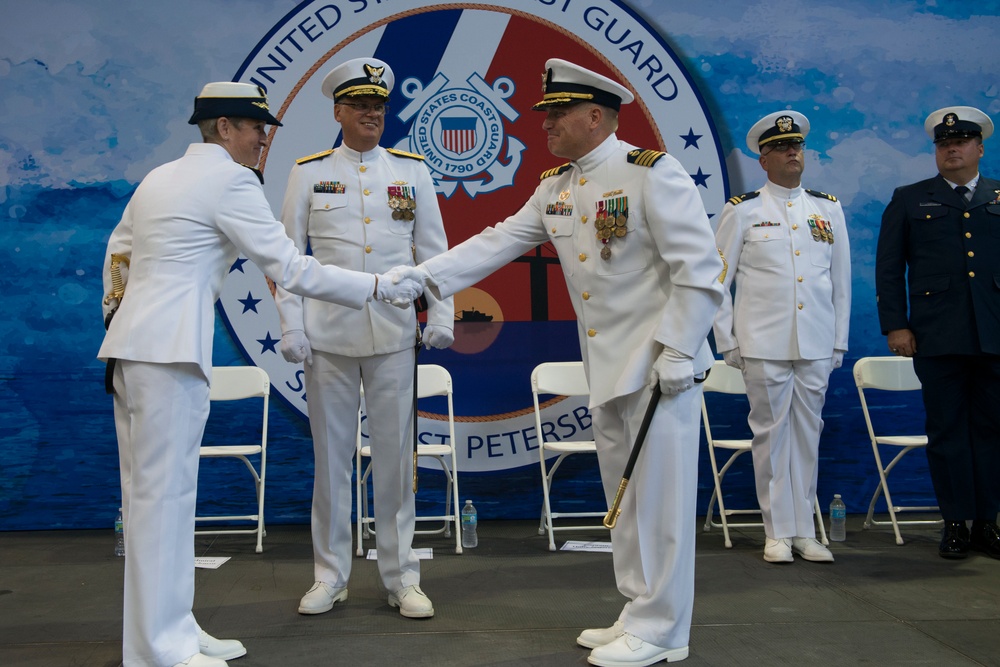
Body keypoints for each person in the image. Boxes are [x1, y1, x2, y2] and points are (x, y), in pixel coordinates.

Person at [390, 58, 724, 666]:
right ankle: (638, 607)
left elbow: (700, 272)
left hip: (658, 367)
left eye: (557, 113)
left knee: (660, 503)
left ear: (594, 116)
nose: (544, 124)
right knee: (623, 500)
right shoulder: (557, 186)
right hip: (606, 366)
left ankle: (664, 629)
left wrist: (679, 348)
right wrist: (421, 277)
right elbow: (498, 240)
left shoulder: (652, 175)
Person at [98, 82, 422, 667]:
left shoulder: (158, 177)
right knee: (160, 501)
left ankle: (174, 625)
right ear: (224, 128)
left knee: (167, 499)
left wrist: (124, 323)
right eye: (254, 128)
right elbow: (292, 267)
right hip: (168, 352)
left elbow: (119, 255)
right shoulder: (229, 180)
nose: (263, 138)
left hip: (139, 350)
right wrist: (375, 285)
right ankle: (157, 650)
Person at [274, 58, 453, 620]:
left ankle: (402, 577)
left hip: (396, 337)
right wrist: (291, 325)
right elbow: (287, 259)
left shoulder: (412, 170)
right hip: (327, 338)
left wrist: (441, 313)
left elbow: (435, 253)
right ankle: (330, 574)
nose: (372, 113)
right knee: (331, 461)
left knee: (397, 462)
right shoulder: (307, 171)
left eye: (378, 106)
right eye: (359, 105)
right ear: (338, 112)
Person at [712, 111, 851, 565]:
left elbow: (840, 280)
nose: (794, 152)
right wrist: (727, 340)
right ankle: (776, 531)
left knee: (808, 434)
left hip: (814, 340)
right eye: (783, 147)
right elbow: (717, 280)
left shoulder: (826, 209)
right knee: (771, 435)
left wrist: (838, 342)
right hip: (763, 341)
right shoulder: (743, 210)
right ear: (763, 157)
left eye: (798, 146)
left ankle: (804, 530)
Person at [875, 105, 1000, 560]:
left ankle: (988, 523)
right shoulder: (909, 199)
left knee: (992, 431)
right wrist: (896, 324)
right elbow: (889, 269)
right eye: (944, 143)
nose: (952, 147)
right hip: (936, 336)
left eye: (962, 141)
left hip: (995, 336)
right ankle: (955, 524)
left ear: (979, 148)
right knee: (946, 432)